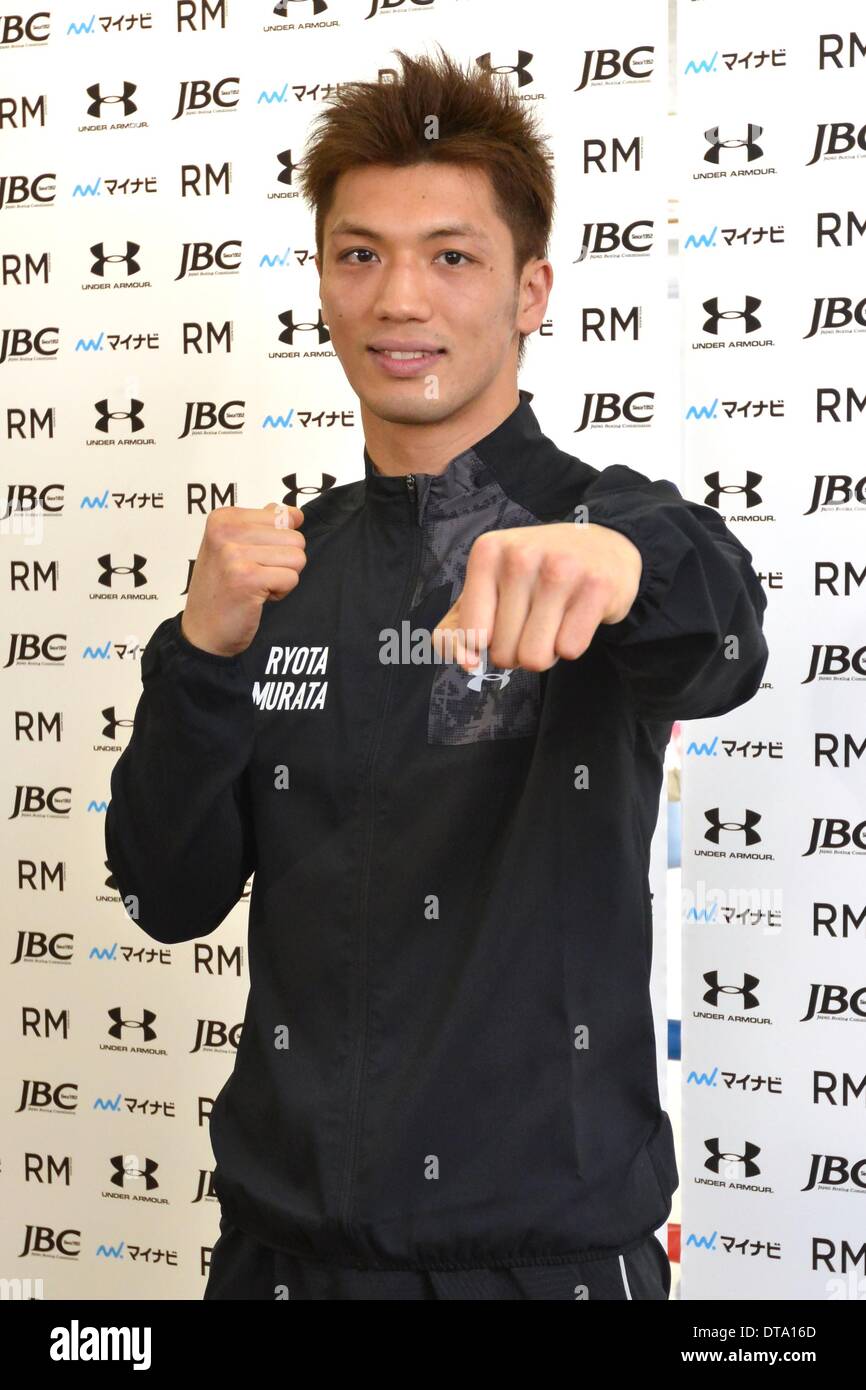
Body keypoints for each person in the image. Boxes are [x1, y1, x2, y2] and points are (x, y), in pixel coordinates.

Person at [105, 45, 769, 1301]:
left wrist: (626, 566)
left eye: (450, 257)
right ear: (320, 283)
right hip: (273, 1259)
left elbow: (723, 644)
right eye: (360, 254)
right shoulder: (273, 572)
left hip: (539, 1264)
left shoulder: (601, 526)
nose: (399, 298)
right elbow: (165, 893)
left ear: (530, 291)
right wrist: (194, 655)